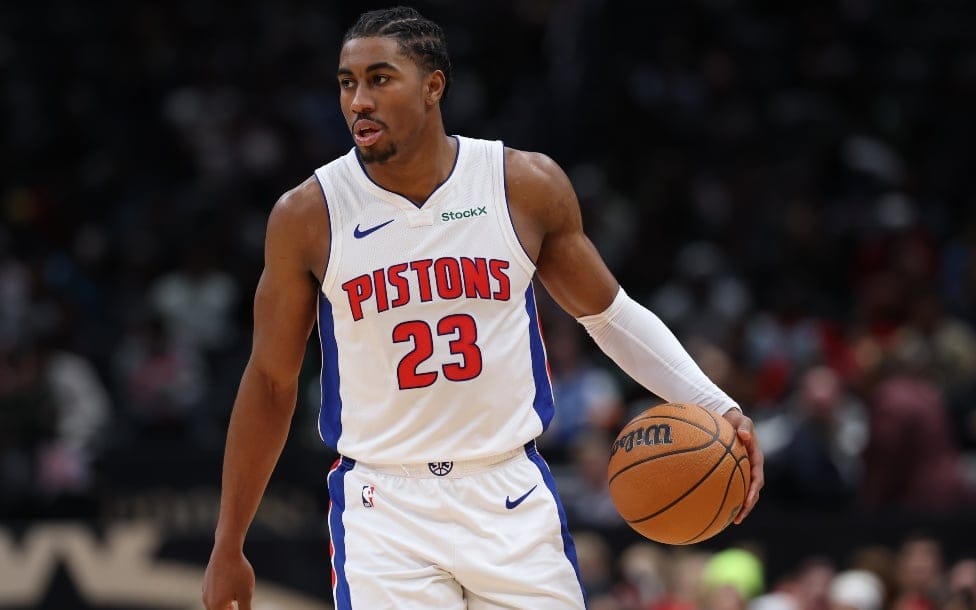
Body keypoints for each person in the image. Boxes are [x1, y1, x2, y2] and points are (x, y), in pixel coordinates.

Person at [202, 6, 763, 609]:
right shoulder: (308, 215)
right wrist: (228, 542)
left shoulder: (520, 184)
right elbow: (269, 381)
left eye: (380, 78)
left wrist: (716, 404)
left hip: (509, 495)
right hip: (384, 506)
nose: (358, 100)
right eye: (347, 82)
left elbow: (611, 316)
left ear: (433, 86)